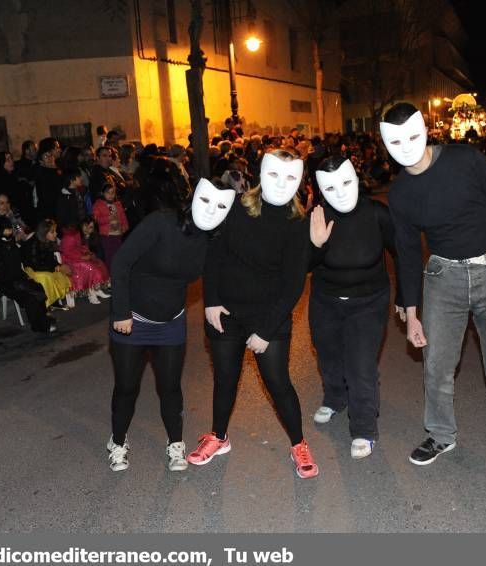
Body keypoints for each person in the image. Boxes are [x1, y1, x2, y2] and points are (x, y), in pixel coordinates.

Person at [381, 103, 486, 506]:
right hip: (443, 277)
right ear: (385, 143)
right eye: (395, 142)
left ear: (426, 131)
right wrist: (410, 311)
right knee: (437, 364)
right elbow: (404, 251)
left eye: (412, 137)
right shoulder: (400, 192)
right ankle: (440, 435)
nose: (406, 148)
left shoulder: (466, 160)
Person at [187, 149, 319, 479]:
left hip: (268, 317)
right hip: (226, 313)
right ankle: (219, 436)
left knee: (278, 383)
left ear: (300, 180)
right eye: (274, 174)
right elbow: (214, 255)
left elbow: (293, 284)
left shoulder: (296, 223)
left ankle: (299, 444)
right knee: (225, 379)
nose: (281, 183)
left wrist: (265, 330)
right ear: (261, 173)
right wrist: (211, 300)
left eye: (290, 177)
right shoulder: (236, 208)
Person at [107, 171, 235, 472]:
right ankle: (117, 441)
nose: (211, 210)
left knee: (170, 388)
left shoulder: (212, 241)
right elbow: (121, 262)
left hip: (171, 322)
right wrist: (121, 312)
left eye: (220, 207)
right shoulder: (161, 222)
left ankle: (175, 443)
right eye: (205, 201)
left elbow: (219, 277)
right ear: (192, 198)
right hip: (133, 320)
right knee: (126, 387)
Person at [308, 156, 402, 459]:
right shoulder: (317, 215)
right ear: (320, 189)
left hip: (369, 302)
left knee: (360, 364)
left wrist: (406, 298)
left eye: (346, 182)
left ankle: (364, 427)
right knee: (329, 356)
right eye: (330, 187)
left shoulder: (376, 213)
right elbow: (301, 265)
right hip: (325, 299)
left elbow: (403, 252)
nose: (340, 192)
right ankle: (335, 397)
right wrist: (316, 245)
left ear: (357, 179)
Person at [0, 217, 56, 334]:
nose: (9, 232)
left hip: (15, 277)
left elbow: (17, 265)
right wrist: (18, 282)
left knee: (36, 287)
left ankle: (43, 319)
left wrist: (24, 277)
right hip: (0, 280)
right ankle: (39, 325)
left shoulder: (11, 243)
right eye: (6, 230)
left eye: (10, 229)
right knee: (28, 295)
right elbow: (0, 270)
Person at [21, 219, 72, 308]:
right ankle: (45, 305)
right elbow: (35, 265)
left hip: (43, 267)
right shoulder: (33, 244)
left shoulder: (47, 242)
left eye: (55, 231)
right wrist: (56, 268)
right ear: (44, 233)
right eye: (52, 232)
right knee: (47, 277)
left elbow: (50, 260)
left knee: (60, 275)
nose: (56, 234)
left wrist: (59, 266)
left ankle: (53, 302)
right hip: (31, 270)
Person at [58, 223, 110, 305]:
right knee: (89, 267)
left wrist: (87, 253)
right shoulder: (67, 237)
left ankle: (96, 289)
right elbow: (68, 253)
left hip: (78, 256)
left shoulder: (76, 233)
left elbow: (79, 247)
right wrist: (82, 257)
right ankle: (91, 293)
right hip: (71, 261)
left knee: (98, 262)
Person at [92, 180, 128, 269]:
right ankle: (110, 276)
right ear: (103, 193)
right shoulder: (98, 204)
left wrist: (125, 226)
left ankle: (117, 273)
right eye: (108, 193)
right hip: (106, 235)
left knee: (118, 255)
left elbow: (123, 217)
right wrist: (108, 218)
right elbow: (96, 220)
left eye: (113, 193)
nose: (111, 195)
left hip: (118, 234)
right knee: (109, 256)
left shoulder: (118, 204)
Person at [0, 151, 35, 229]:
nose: (11, 162)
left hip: (22, 215)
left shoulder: (14, 175)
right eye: (7, 160)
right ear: (1, 163)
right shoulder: (0, 180)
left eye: (11, 159)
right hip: (13, 218)